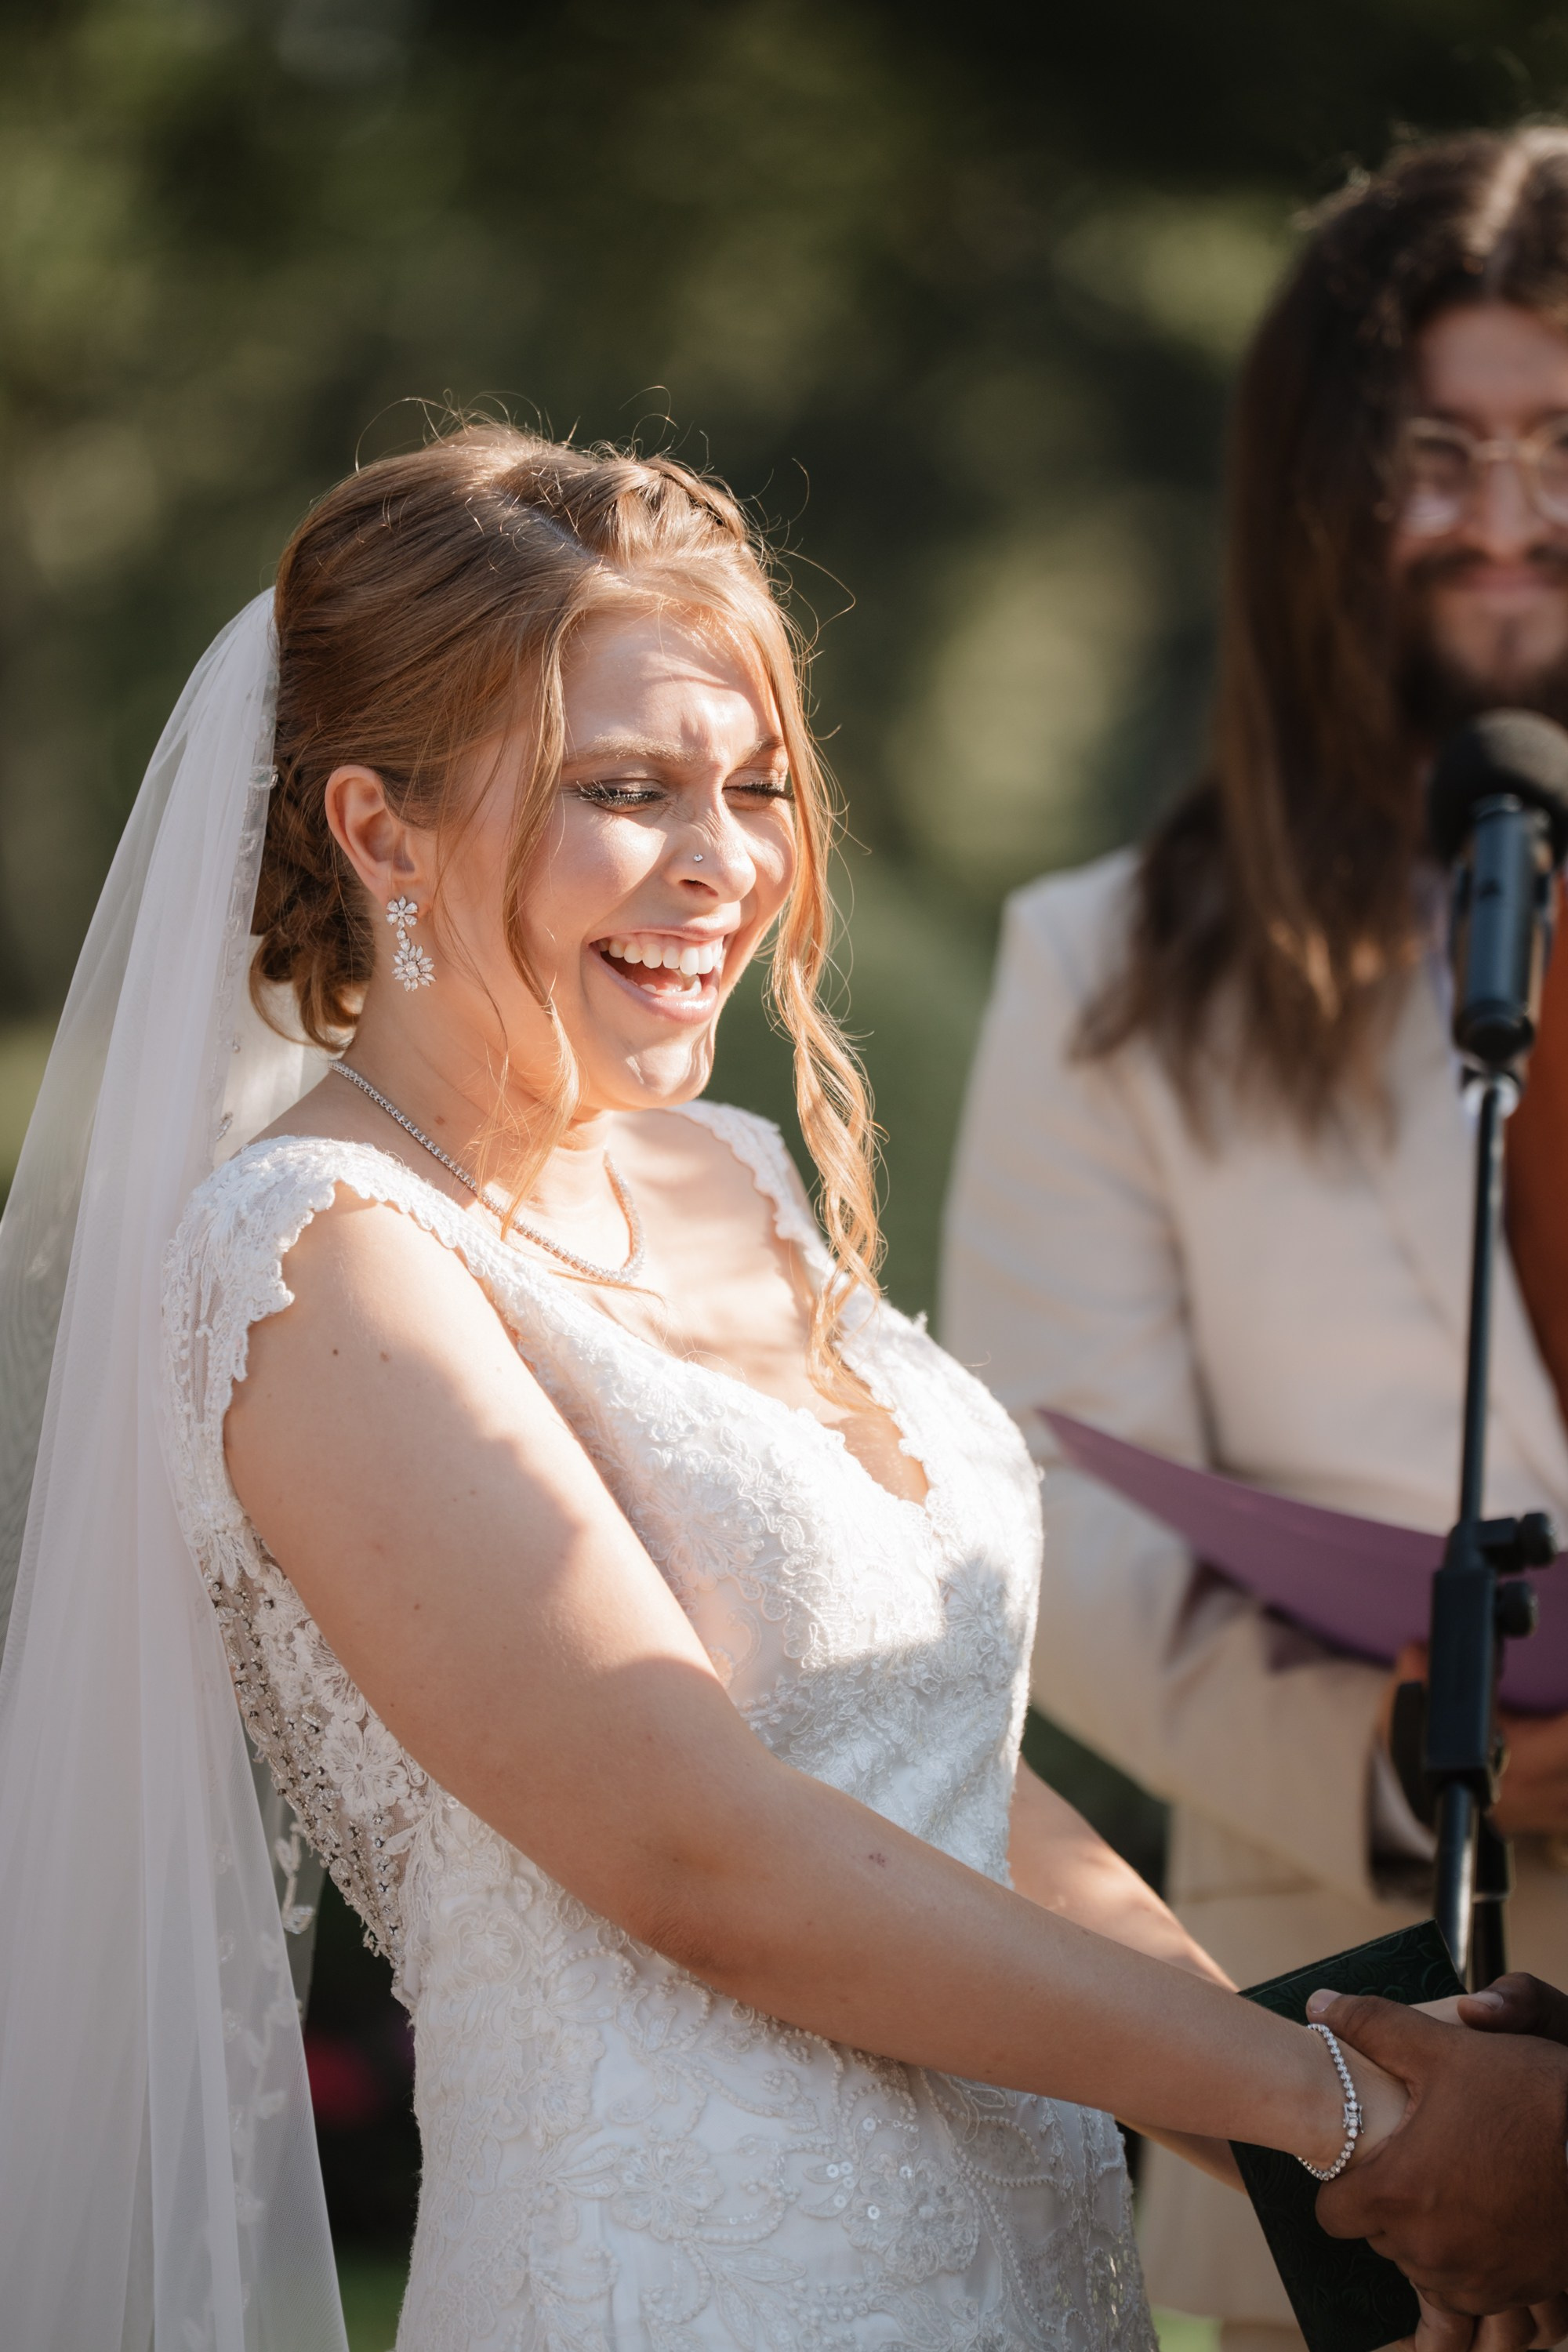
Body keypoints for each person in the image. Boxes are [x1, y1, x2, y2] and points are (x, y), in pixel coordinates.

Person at [0, 422, 1445, 2352]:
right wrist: (1330, 2119)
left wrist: (1328, 2153)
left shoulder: (735, 1170)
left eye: (756, 786)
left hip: (1021, 2286)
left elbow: (937, 1764)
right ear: (376, 827)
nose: (724, 866)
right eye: (625, 788)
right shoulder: (322, 1260)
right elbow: (706, 1858)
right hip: (675, 2292)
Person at [942, 125, 1568, 2350]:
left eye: (1558, 443)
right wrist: (1413, 1760)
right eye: (1433, 455)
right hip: (1391, 2067)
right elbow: (1043, 1515)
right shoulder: (1111, 967)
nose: (1506, 514)